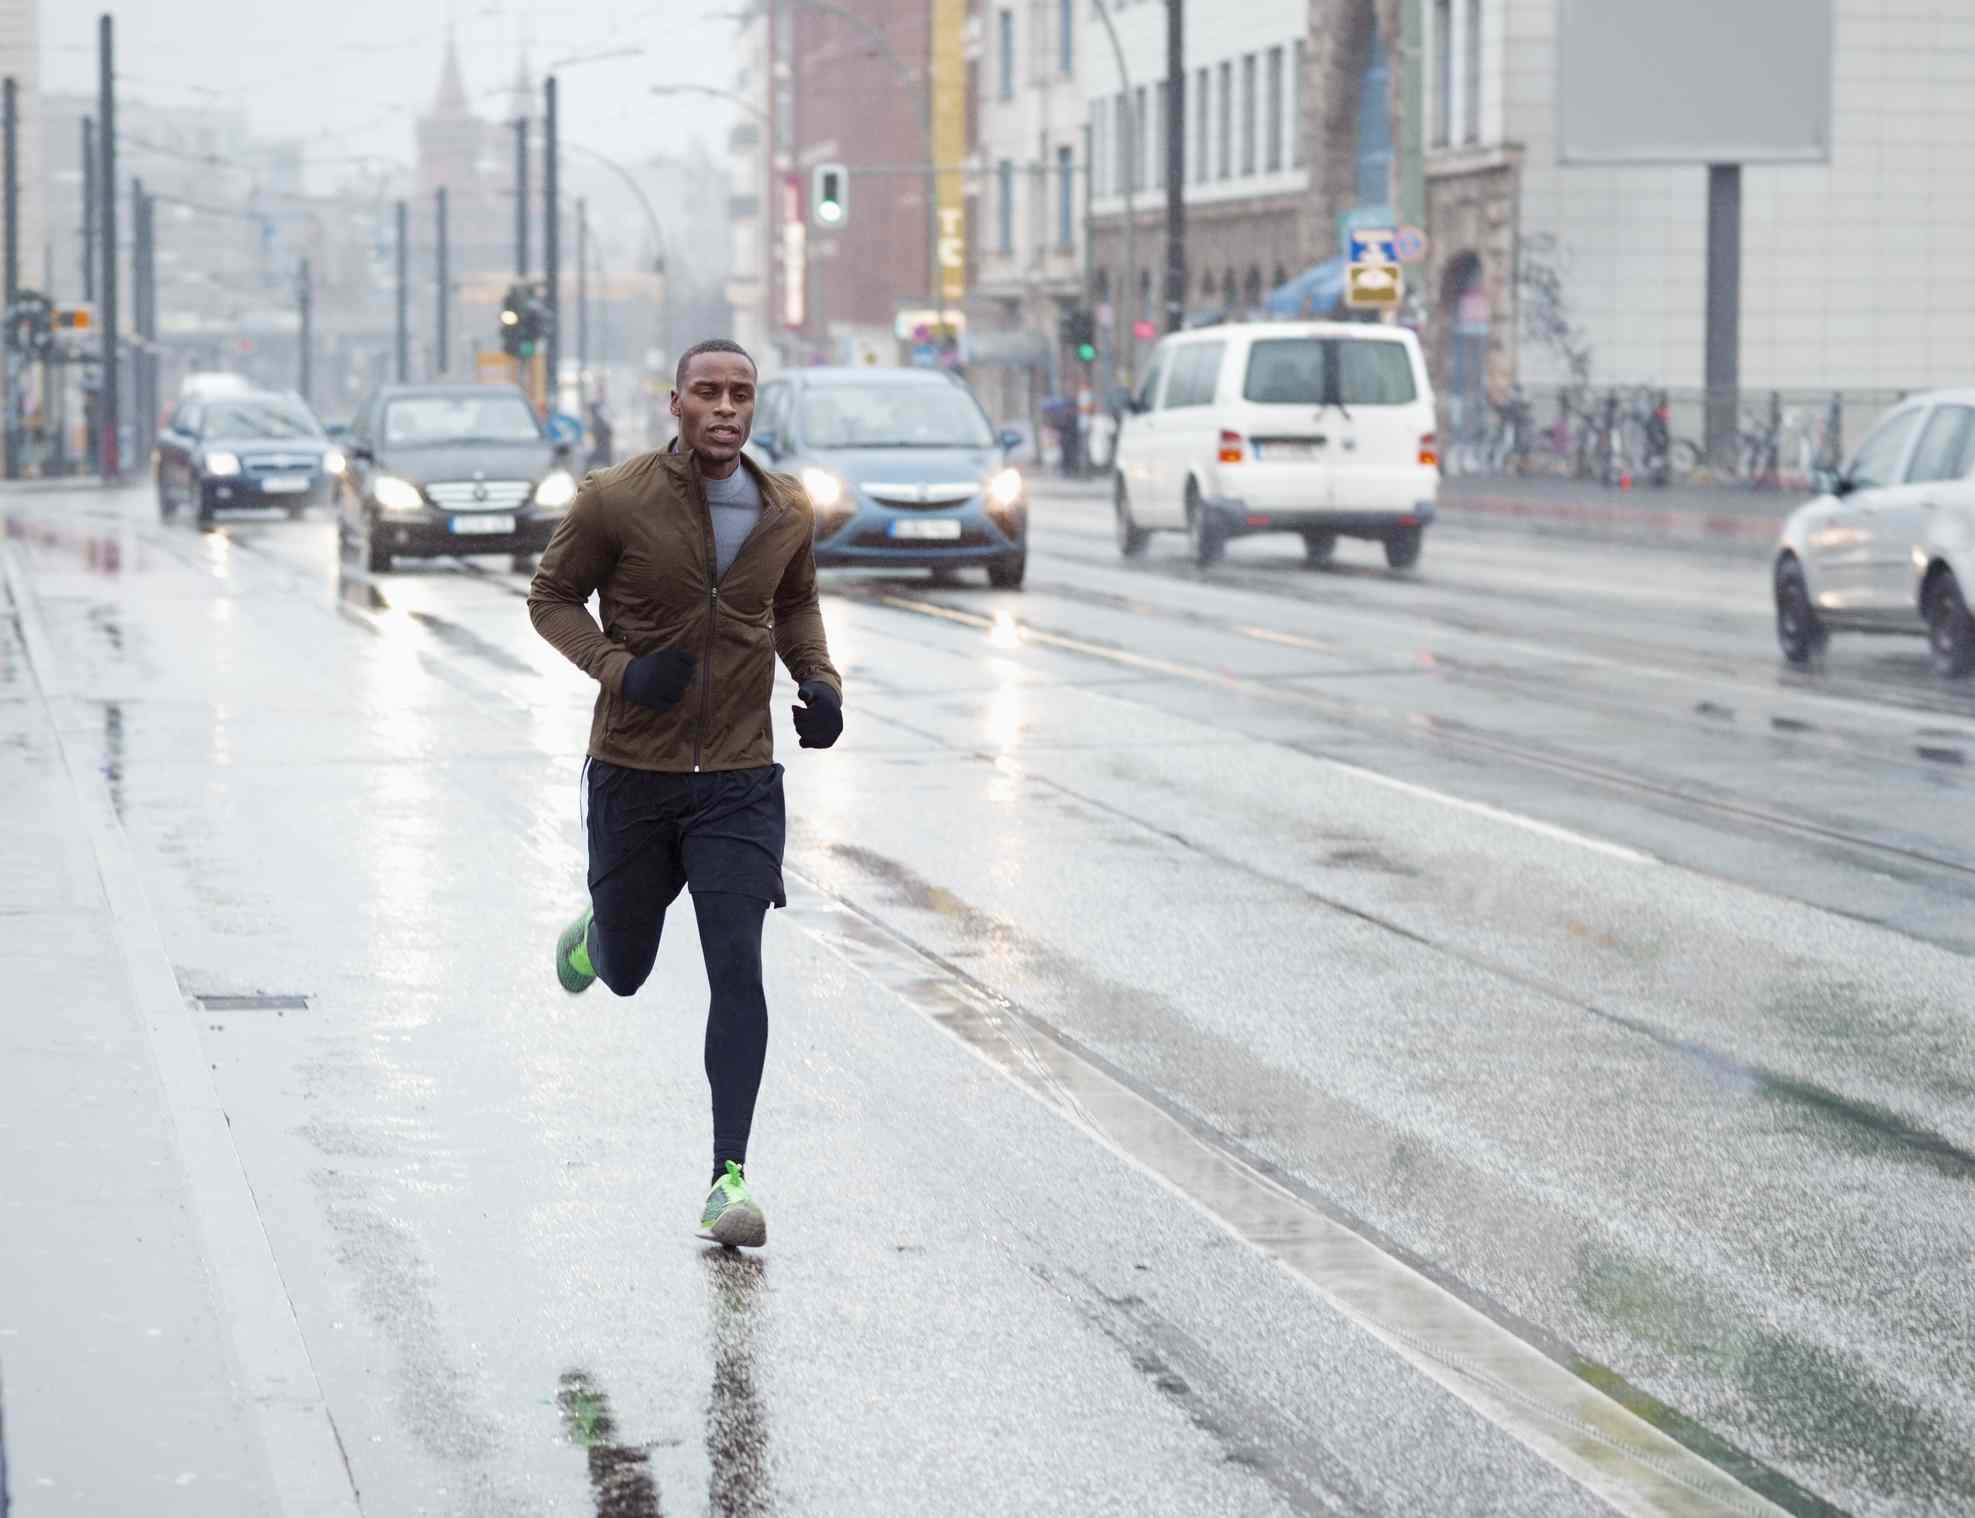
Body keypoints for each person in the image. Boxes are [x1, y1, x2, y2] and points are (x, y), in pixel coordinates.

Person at [527, 338, 843, 1249]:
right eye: (707, 392)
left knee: (736, 964)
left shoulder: (784, 506)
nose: (725, 408)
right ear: (674, 403)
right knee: (627, 971)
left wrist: (819, 685)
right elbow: (550, 599)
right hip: (635, 773)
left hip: (740, 781)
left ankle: (727, 1179)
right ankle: (594, 937)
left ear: (755, 406)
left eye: (740, 394)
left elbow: (794, 604)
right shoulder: (613, 499)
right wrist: (620, 671)